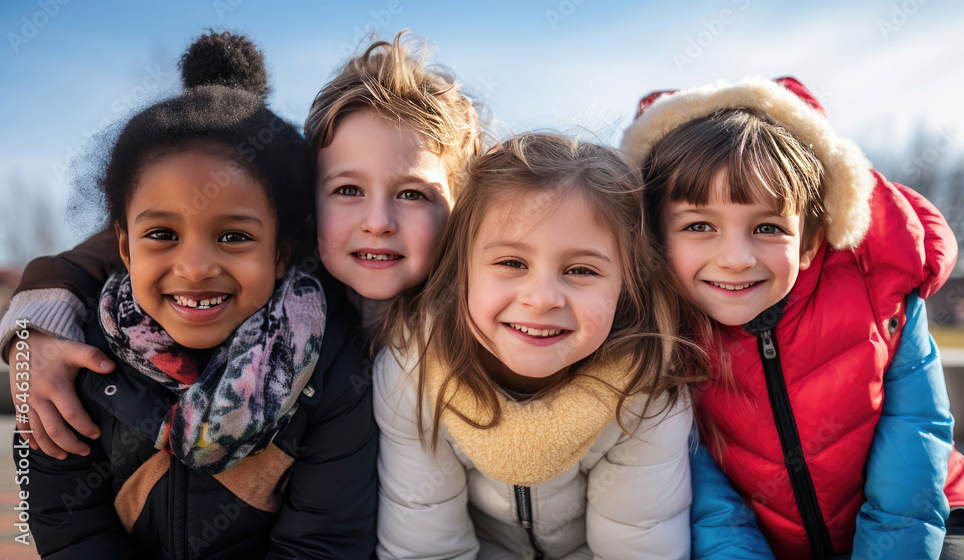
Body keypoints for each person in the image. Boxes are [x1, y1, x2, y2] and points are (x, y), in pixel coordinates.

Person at [2, 30, 481, 458]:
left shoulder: (496, 305)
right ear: (308, 202)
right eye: (348, 190)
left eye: (414, 194)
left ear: (466, 204)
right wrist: (32, 333)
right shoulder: (286, 273)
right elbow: (140, 241)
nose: (378, 222)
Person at [12, 31, 377, 558]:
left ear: (281, 252)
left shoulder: (334, 371)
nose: (196, 266)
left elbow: (322, 543)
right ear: (124, 246)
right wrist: (30, 332)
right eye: (162, 234)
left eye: (234, 236)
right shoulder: (73, 365)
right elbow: (67, 527)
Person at [620, 76, 964, 559]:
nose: (735, 258)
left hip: (932, 515)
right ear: (655, 237)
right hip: (767, 543)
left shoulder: (880, 297)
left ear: (810, 241)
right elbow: (707, 501)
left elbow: (914, 445)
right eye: (699, 225)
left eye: (767, 227)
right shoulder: (662, 331)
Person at [374, 132, 707, 559]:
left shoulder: (645, 390)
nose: (542, 297)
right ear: (462, 270)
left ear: (626, 286)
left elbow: (638, 543)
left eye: (581, 270)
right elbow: (424, 546)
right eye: (512, 263)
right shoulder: (412, 373)